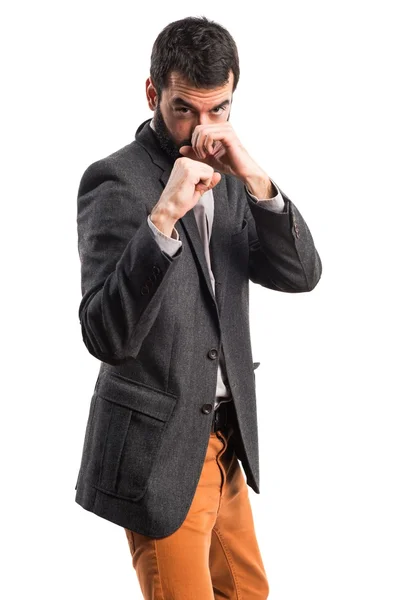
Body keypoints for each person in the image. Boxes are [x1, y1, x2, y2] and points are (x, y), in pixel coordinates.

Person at [74, 15, 322, 600]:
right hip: (158, 452)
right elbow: (104, 333)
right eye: (186, 108)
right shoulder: (116, 180)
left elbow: (302, 274)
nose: (203, 129)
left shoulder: (233, 176)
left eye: (221, 110)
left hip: (224, 442)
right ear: (153, 93)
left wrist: (257, 179)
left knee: (248, 593)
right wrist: (162, 219)